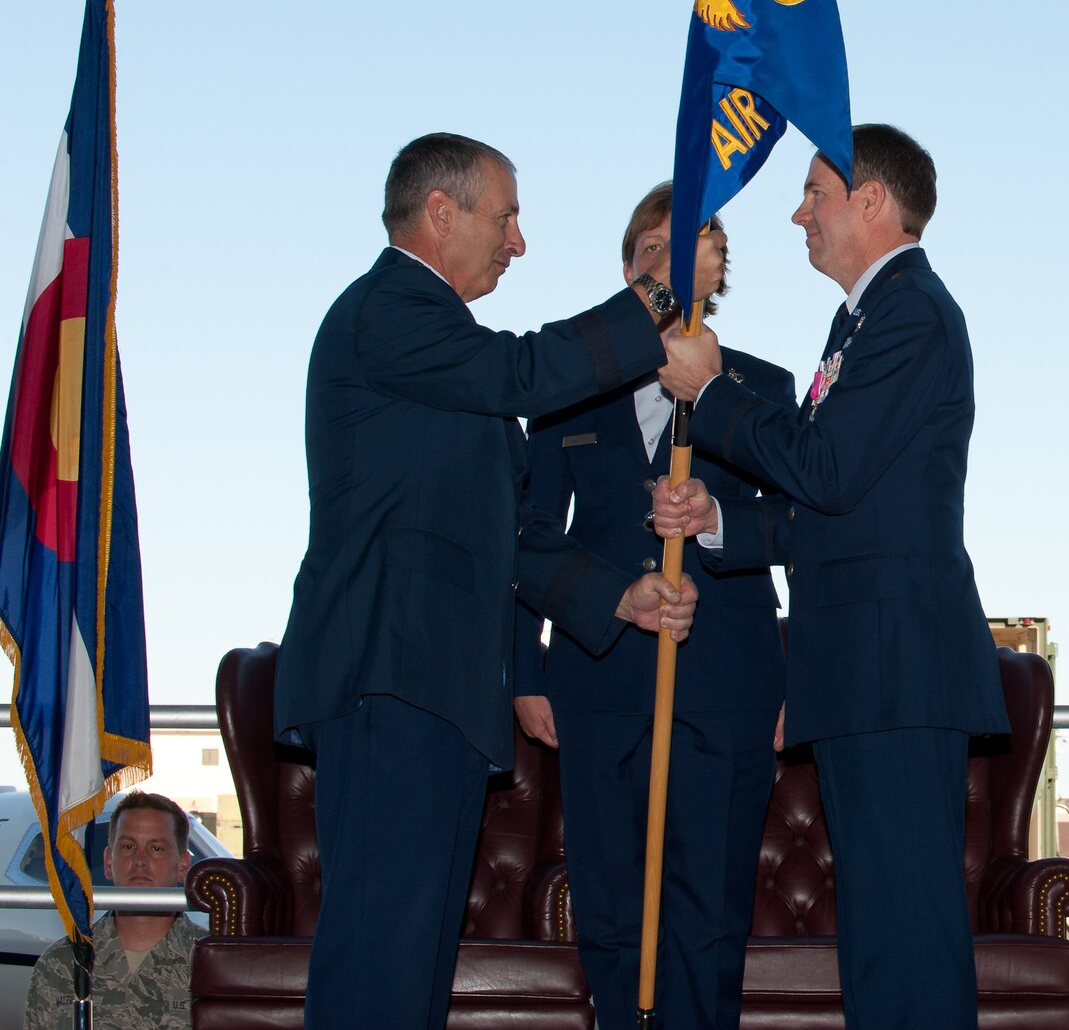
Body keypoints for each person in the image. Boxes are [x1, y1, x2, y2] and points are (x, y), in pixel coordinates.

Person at [273, 132, 714, 1030]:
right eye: (505, 216)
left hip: (432, 690)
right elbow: (524, 370)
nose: (519, 242)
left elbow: (504, 534)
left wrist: (613, 596)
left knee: (413, 971)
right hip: (388, 679)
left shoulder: (437, 354)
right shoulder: (388, 309)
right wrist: (663, 294)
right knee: (377, 959)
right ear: (441, 212)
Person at [652, 124, 1008, 1030]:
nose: (799, 213)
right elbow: (840, 506)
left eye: (816, 192)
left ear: (874, 201)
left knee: (909, 937)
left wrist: (714, 389)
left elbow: (826, 467)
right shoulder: (863, 316)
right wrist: (724, 521)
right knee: (882, 942)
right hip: (860, 672)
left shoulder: (912, 312)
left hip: (895, 671)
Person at [512, 183, 791, 1030]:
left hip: (731, 684)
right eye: (649, 255)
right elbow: (524, 538)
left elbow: (803, 527)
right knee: (608, 910)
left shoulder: (764, 386)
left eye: (687, 254)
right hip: (597, 687)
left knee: (709, 916)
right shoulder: (567, 398)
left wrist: (800, 675)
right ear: (629, 276)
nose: (666, 271)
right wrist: (526, 674)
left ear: (717, 273)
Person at [24, 793, 200, 1030]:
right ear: (108, 862)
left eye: (156, 848)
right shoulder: (62, 965)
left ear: (182, 866)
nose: (140, 860)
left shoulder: (211, 963)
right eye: (128, 847)